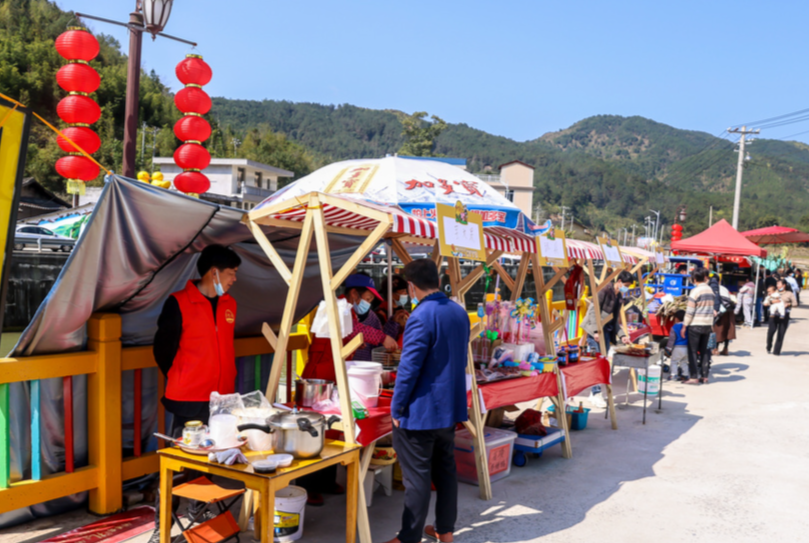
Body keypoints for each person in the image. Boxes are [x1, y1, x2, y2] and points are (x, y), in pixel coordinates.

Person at [150, 245, 241, 540]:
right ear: (213, 272)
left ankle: (197, 511)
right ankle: (161, 528)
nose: (234, 279)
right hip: (187, 398)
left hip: (222, 399)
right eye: (231, 273)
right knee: (178, 464)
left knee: (210, 458)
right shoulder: (178, 303)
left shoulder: (230, 305)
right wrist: (183, 375)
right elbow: (163, 350)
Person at [384, 259, 470, 543]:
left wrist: (396, 407)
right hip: (448, 409)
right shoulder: (459, 313)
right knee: (445, 470)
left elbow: (409, 368)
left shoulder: (421, 315)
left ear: (411, 285)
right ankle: (445, 530)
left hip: (420, 411)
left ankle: (409, 537)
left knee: (417, 477)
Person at [579, 270, 634, 407]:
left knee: (603, 362)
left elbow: (614, 320)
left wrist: (622, 335)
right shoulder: (604, 290)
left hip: (607, 331)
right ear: (619, 281)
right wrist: (596, 331)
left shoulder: (619, 296)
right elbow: (593, 311)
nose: (626, 287)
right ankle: (597, 393)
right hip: (594, 331)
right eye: (625, 284)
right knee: (597, 362)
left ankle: (594, 393)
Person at [682, 268, 715, 384]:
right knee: (705, 351)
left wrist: (684, 325)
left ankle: (694, 377)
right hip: (708, 325)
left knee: (693, 351)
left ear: (694, 279)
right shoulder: (710, 290)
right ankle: (705, 376)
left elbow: (690, 311)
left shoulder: (695, 291)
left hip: (695, 325)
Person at [764, 279, 796, 355]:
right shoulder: (773, 292)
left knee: (781, 334)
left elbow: (795, 303)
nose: (777, 286)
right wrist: (772, 302)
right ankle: (769, 346)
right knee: (771, 332)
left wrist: (788, 304)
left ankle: (776, 351)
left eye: (779, 284)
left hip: (784, 315)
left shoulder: (789, 293)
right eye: (777, 284)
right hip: (773, 315)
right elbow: (766, 302)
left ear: (784, 285)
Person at [665, 310, 689, 381]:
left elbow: (672, 339)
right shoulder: (687, 326)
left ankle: (673, 375)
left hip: (678, 347)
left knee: (674, 361)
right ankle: (685, 375)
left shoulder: (675, 327)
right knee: (684, 362)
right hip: (687, 347)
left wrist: (668, 348)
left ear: (676, 318)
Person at [713, 284, 736, 356]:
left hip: (721, 310)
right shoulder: (724, 288)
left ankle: (715, 349)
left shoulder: (714, 287)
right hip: (729, 309)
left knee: (717, 329)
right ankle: (725, 349)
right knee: (727, 329)